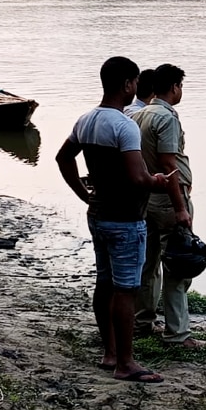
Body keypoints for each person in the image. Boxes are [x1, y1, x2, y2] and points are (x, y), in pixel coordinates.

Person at [55, 56, 170, 383]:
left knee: (105, 284)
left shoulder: (86, 120)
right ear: (128, 85)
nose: (136, 87)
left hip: (99, 214)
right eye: (134, 82)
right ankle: (126, 363)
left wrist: (82, 193)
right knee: (126, 290)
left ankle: (110, 353)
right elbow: (137, 179)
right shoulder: (124, 126)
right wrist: (157, 181)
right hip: (125, 219)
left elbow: (63, 158)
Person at [131, 63, 206, 349]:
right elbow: (169, 165)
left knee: (148, 263)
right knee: (178, 263)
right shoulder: (166, 118)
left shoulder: (139, 115)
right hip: (167, 198)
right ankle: (177, 334)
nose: (181, 91)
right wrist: (180, 208)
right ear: (175, 87)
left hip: (145, 197)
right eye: (181, 86)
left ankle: (142, 322)